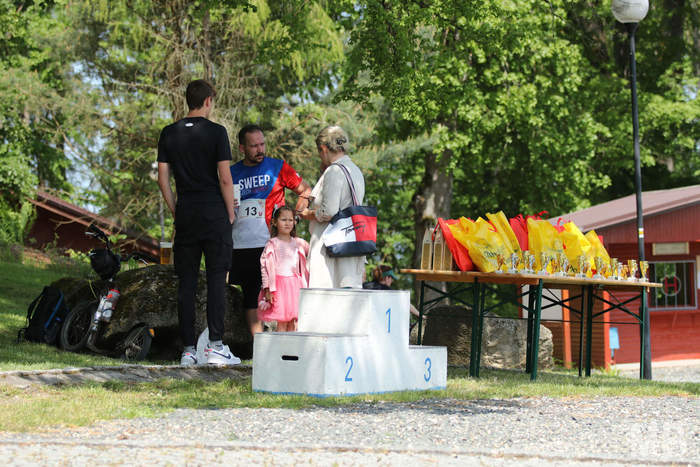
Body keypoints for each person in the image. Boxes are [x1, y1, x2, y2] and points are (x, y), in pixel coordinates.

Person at [157, 79, 239, 366]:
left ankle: (189, 350)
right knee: (217, 278)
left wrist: (176, 210)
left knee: (187, 283)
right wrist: (229, 212)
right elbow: (225, 178)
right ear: (207, 101)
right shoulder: (217, 132)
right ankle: (215, 345)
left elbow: (163, 179)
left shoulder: (169, 133)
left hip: (187, 213)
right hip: (213, 211)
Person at [229, 124, 311, 336]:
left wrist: (294, 216)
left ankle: (287, 341)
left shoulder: (277, 167)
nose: (260, 150)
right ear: (242, 148)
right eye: (254, 146)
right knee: (251, 296)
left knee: (283, 293)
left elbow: (305, 191)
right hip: (242, 243)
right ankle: (259, 345)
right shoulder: (231, 173)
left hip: (273, 243)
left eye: (262, 144)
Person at [300, 125, 365, 288]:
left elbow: (329, 211)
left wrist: (307, 213)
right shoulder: (355, 170)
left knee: (327, 294)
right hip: (351, 242)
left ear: (323, 148)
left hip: (330, 247)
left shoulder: (334, 171)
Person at [258, 206, 309, 331]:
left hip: (295, 286)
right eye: (283, 220)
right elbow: (264, 267)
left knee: (293, 322)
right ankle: (281, 344)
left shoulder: (299, 243)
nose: (287, 223)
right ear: (275, 222)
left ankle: (292, 344)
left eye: (291, 220)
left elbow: (315, 251)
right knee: (282, 322)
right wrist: (267, 288)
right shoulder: (272, 243)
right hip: (278, 287)